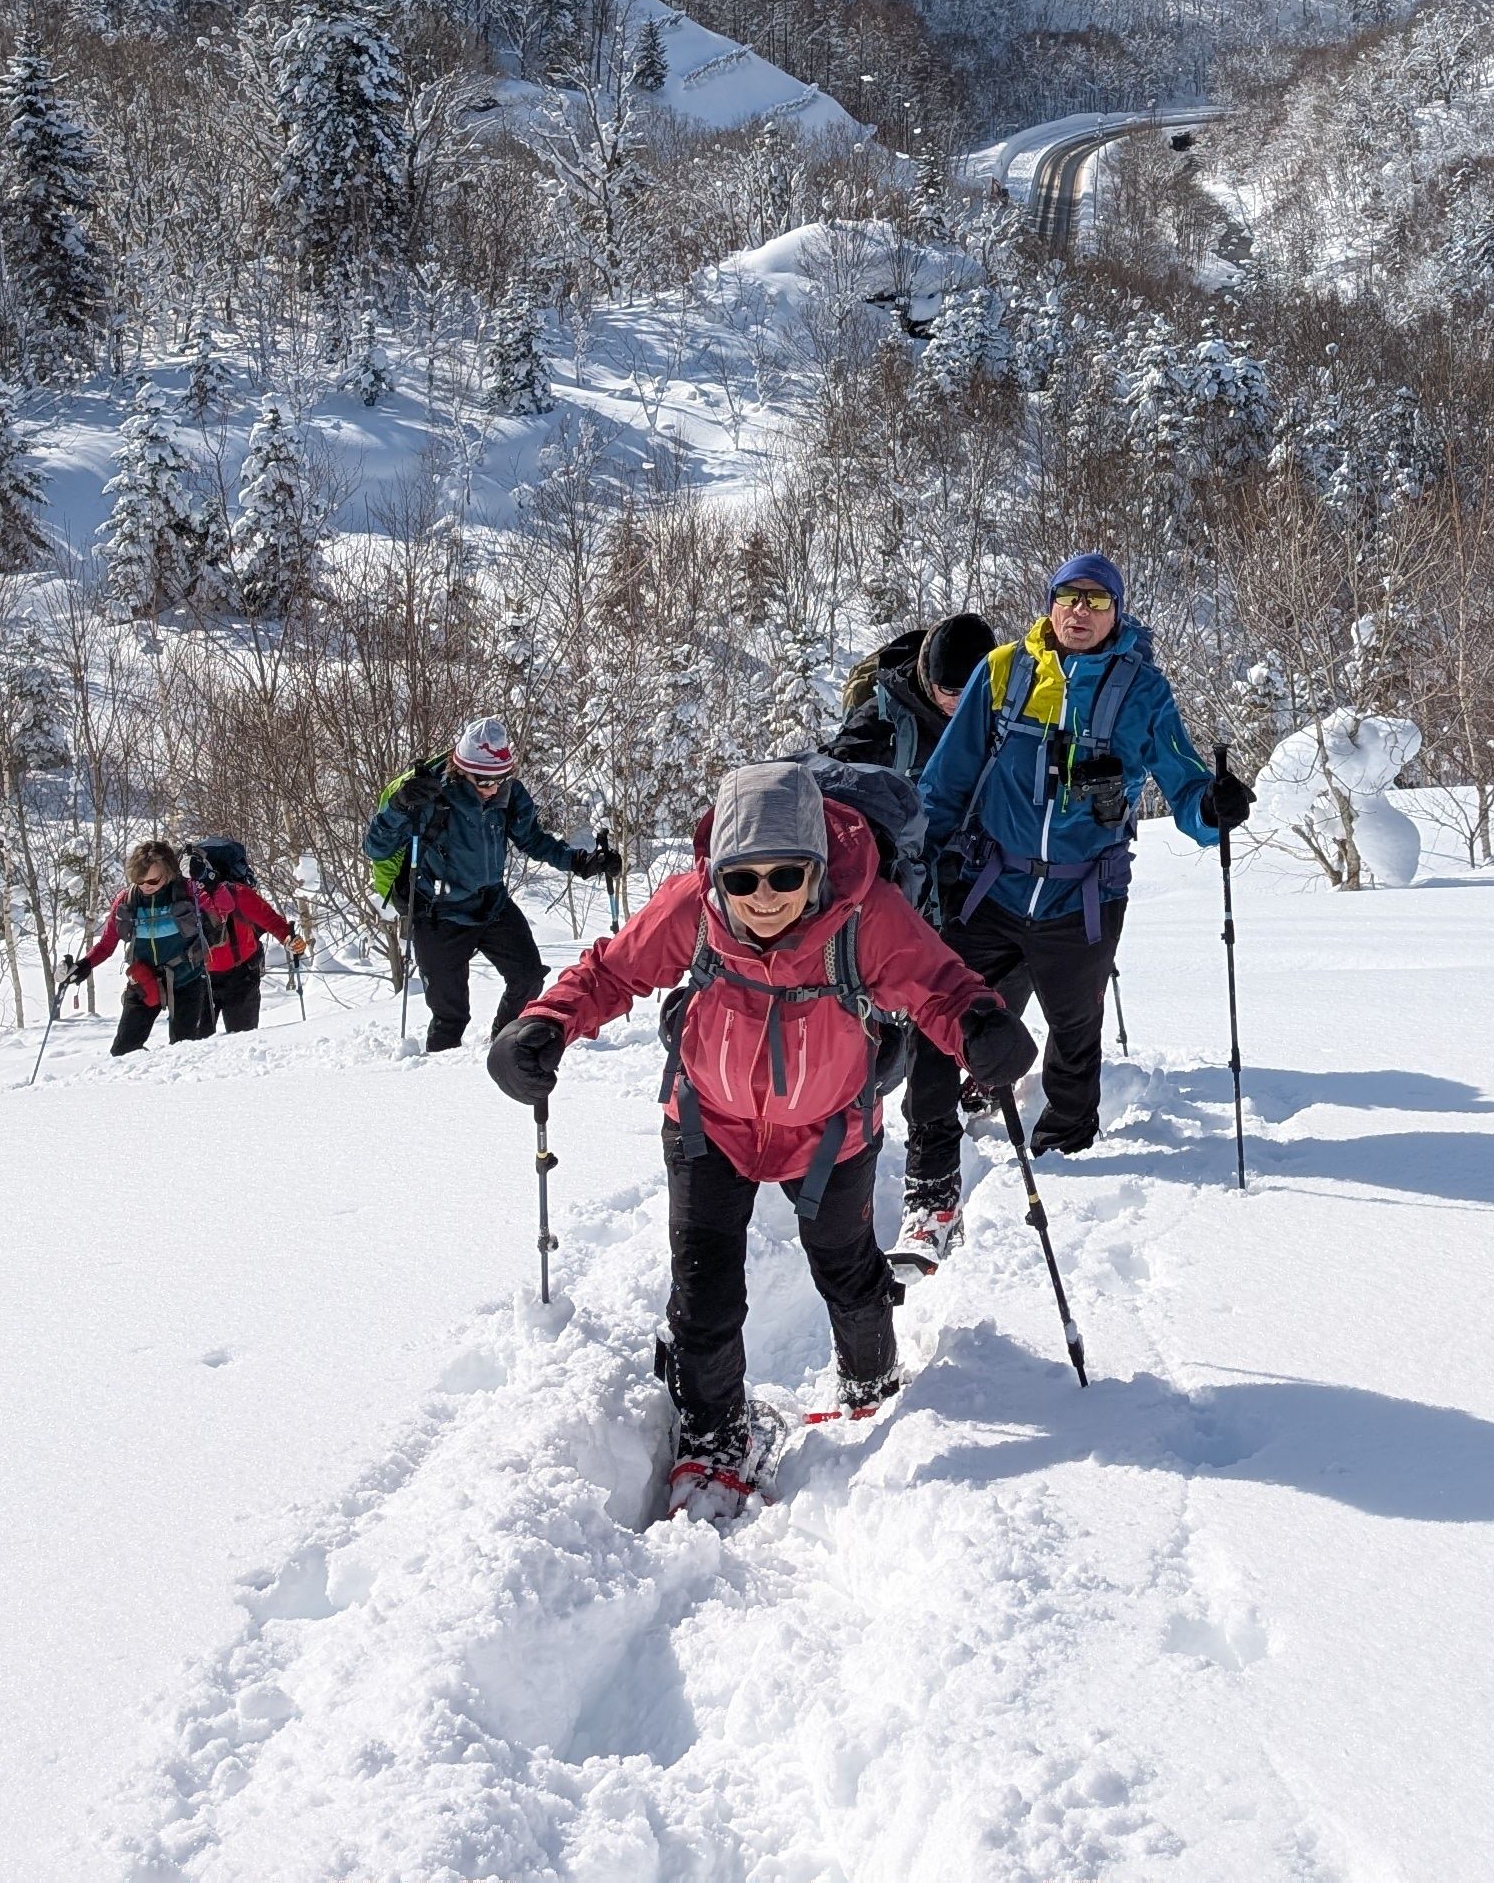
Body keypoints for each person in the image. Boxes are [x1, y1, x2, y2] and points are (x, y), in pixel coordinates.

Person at [487, 761, 1038, 1521]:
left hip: (831, 1134)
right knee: (705, 1294)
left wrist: (979, 1023)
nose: (766, 897)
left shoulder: (865, 915)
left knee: (848, 1273)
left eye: (787, 876)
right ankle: (715, 1438)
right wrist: (546, 1023)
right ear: (719, 877)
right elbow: (613, 971)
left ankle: (871, 1389)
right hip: (707, 1124)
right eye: (744, 881)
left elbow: (936, 985)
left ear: (817, 867)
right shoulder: (695, 907)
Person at [898, 554, 1253, 1265]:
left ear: (1117, 612)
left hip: (1083, 895)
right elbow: (947, 780)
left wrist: (1213, 811)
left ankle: (1067, 1147)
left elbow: (1183, 784)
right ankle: (929, 1184)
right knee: (941, 1026)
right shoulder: (1002, 671)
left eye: (1096, 601)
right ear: (1050, 603)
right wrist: (918, 860)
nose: (1080, 612)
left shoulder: (1144, 691)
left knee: (1074, 1029)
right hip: (987, 887)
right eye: (1069, 598)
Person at [363, 718, 619, 1052]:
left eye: (501, 778)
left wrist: (581, 862)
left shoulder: (507, 794)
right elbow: (376, 848)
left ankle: (502, 1043)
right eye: (484, 780)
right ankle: (435, 1086)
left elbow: (533, 841)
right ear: (460, 769)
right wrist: (398, 806)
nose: (493, 788)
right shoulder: (429, 795)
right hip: (439, 914)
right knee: (449, 1018)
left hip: (491, 904)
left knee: (528, 977)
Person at [66, 839, 214, 1054]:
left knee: (185, 1049)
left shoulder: (187, 892)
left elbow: (221, 910)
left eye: (152, 880)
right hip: (144, 980)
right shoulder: (128, 900)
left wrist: (207, 879)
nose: (145, 886)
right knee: (122, 1052)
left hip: (187, 977)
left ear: (169, 873)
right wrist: (85, 964)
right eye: (139, 880)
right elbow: (107, 943)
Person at [828, 612, 998, 786]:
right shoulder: (884, 716)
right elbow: (834, 771)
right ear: (927, 678)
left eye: (972, 691)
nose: (960, 701)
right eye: (949, 690)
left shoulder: (1001, 716)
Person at [184, 839, 301, 1035]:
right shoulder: (188, 898)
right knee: (198, 1044)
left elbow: (271, 920)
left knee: (238, 1041)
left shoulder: (236, 894)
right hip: (213, 977)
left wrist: (288, 938)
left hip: (235, 977)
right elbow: (272, 920)